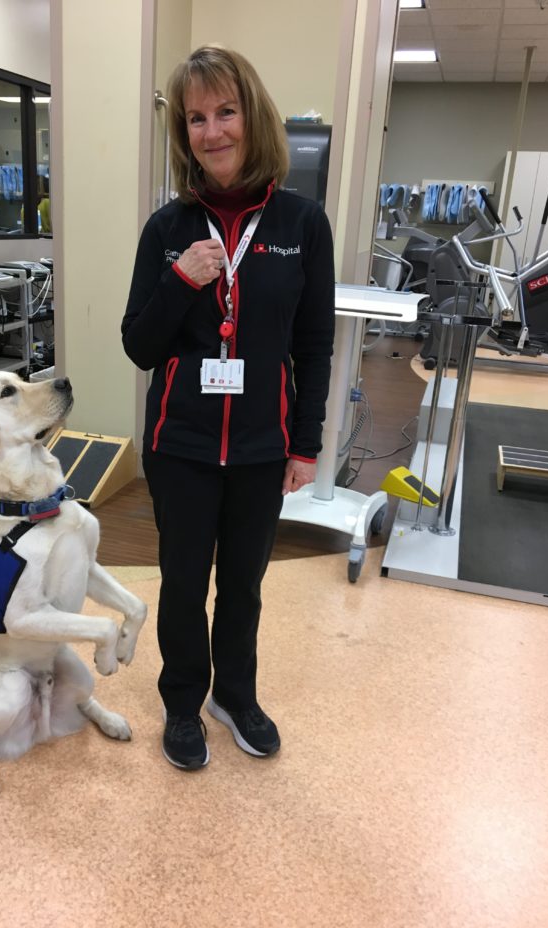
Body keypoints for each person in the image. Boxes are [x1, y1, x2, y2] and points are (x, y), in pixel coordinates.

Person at [122, 46, 335, 770]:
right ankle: (184, 701)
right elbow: (139, 347)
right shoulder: (167, 228)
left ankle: (234, 695)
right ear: (184, 134)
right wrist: (181, 281)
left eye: (226, 112)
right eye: (196, 119)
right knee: (184, 583)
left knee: (243, 584)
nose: (212, 131)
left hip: (259, 446)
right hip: (179, 444)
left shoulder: (302, 224)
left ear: (253, 116)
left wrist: (305, 445)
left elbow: (313, 345)